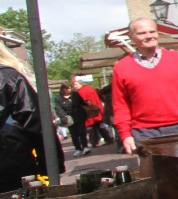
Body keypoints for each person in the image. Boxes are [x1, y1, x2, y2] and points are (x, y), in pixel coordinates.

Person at [111, 18, 178, 156]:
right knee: (155, 170)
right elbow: (121, 105)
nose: (149, 36)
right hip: (145, 133)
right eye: (142, 33)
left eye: (152, 31)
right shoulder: (121, 68)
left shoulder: (177, 59)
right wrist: (125, 134)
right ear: (131, 37)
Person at [0, 44, 61, 191]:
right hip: (12, 165)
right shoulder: (8, 76)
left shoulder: (8, 77)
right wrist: (51, 165)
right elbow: (36, 122)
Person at [71, 76, 109, 153]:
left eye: (75, 84)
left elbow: (82, 102)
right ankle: (108, 138)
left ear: (80, 83)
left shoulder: (80, 92)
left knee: (91, 127)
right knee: (99, 125)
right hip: (96, 109)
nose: (74, 86)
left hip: (89, 111)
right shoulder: (90, 88)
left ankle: (94, 141)